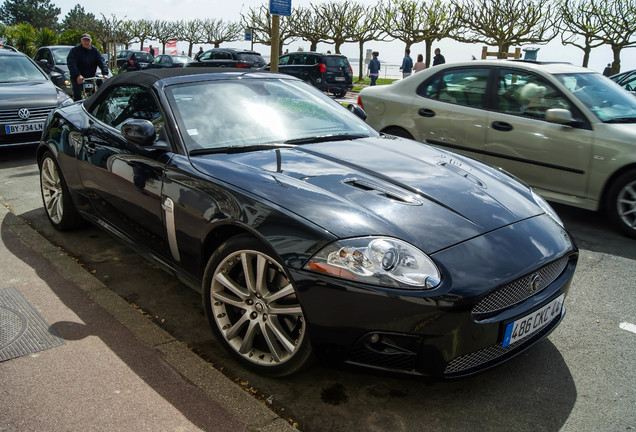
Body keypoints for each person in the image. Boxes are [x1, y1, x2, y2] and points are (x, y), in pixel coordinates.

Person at [67, 33, 109, 101]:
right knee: (78, 95)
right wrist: (77, 75)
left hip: (91, 75)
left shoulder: (95, 51)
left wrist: (105, 73)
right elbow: (71, 63)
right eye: (84, 40)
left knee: (101, 88)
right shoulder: (75, 51)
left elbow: (101, 61)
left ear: (90, 41)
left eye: (88, 40)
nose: (86, 42)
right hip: (78, 76)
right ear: (81, 41)